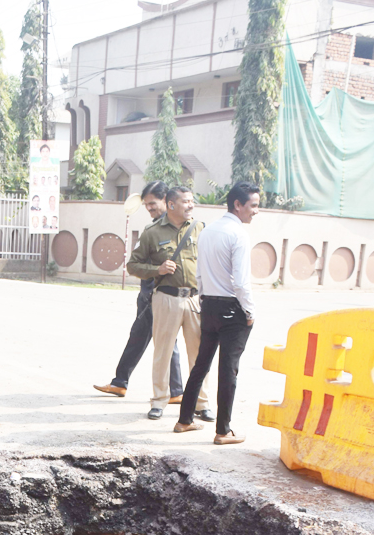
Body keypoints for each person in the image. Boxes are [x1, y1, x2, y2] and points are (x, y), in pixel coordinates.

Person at [174, 182, 259, 445]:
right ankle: (223, 431)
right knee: (228, 370)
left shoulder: (208, 230)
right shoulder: (239, 235)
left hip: (208, 304)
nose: (255, 211)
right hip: (232, 309)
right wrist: (250, 311)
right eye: (253, 205)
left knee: (201, 364)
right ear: (238, 204)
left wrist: (205, 298)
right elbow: (241, 282)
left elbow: (200, 273)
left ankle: (184, 420)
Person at [126, 186, 213, 422]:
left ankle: (201, 402)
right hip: (166, 298)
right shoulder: (152, 232)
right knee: (163, 352)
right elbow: (132, 265)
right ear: (172, 205)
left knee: (199, 355)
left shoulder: (200, 229)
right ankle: (159, 401)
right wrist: (158, 269)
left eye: (192, 201)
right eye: (186, 201)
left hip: (195, 299)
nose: (191, 206)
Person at [93, 181, 183, 403]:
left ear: (166, 201)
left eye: (153, 204)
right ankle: (122, 383)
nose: (149, 208)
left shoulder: (171, 229)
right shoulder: (154, 227)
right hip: (148, 293)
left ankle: (175, 390)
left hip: (159, 294)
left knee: (165, 340)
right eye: (146, 205)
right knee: (141, 336)